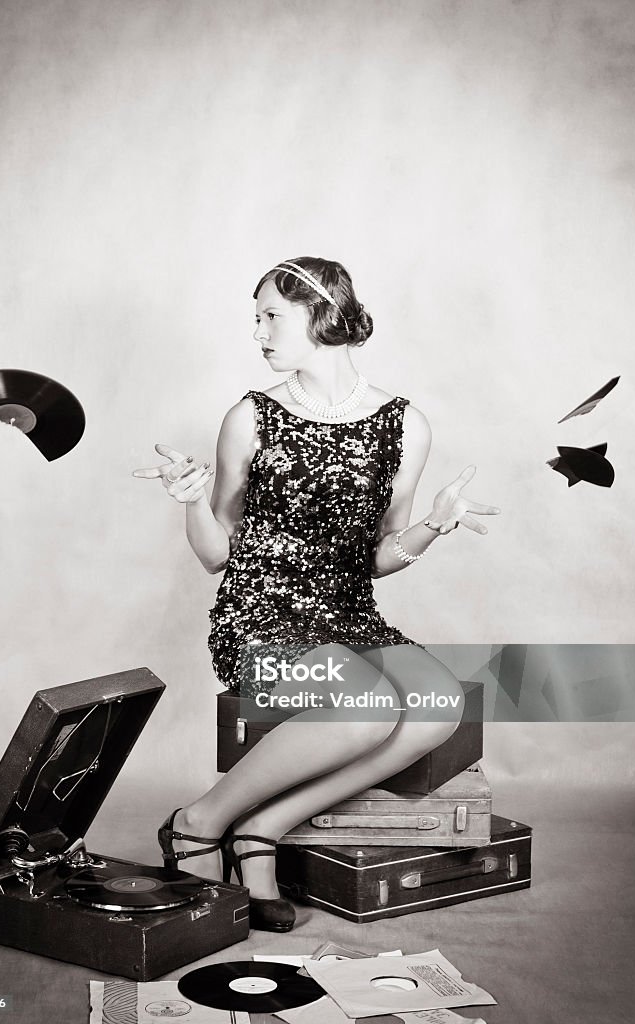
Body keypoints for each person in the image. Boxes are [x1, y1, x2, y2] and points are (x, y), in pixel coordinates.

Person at [133, 257, 499, 932]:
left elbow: (378, 557)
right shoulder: (250, 416)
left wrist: (433, 528)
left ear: (321, 313)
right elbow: (218, 553)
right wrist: (190, 503)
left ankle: (262, 828)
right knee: (363, 708)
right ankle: (197, 823)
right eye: (256, 318)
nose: (258, 333)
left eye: (271, 315)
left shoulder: (405, 426)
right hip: (260, 613)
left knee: (438, 707)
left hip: (350, 614)